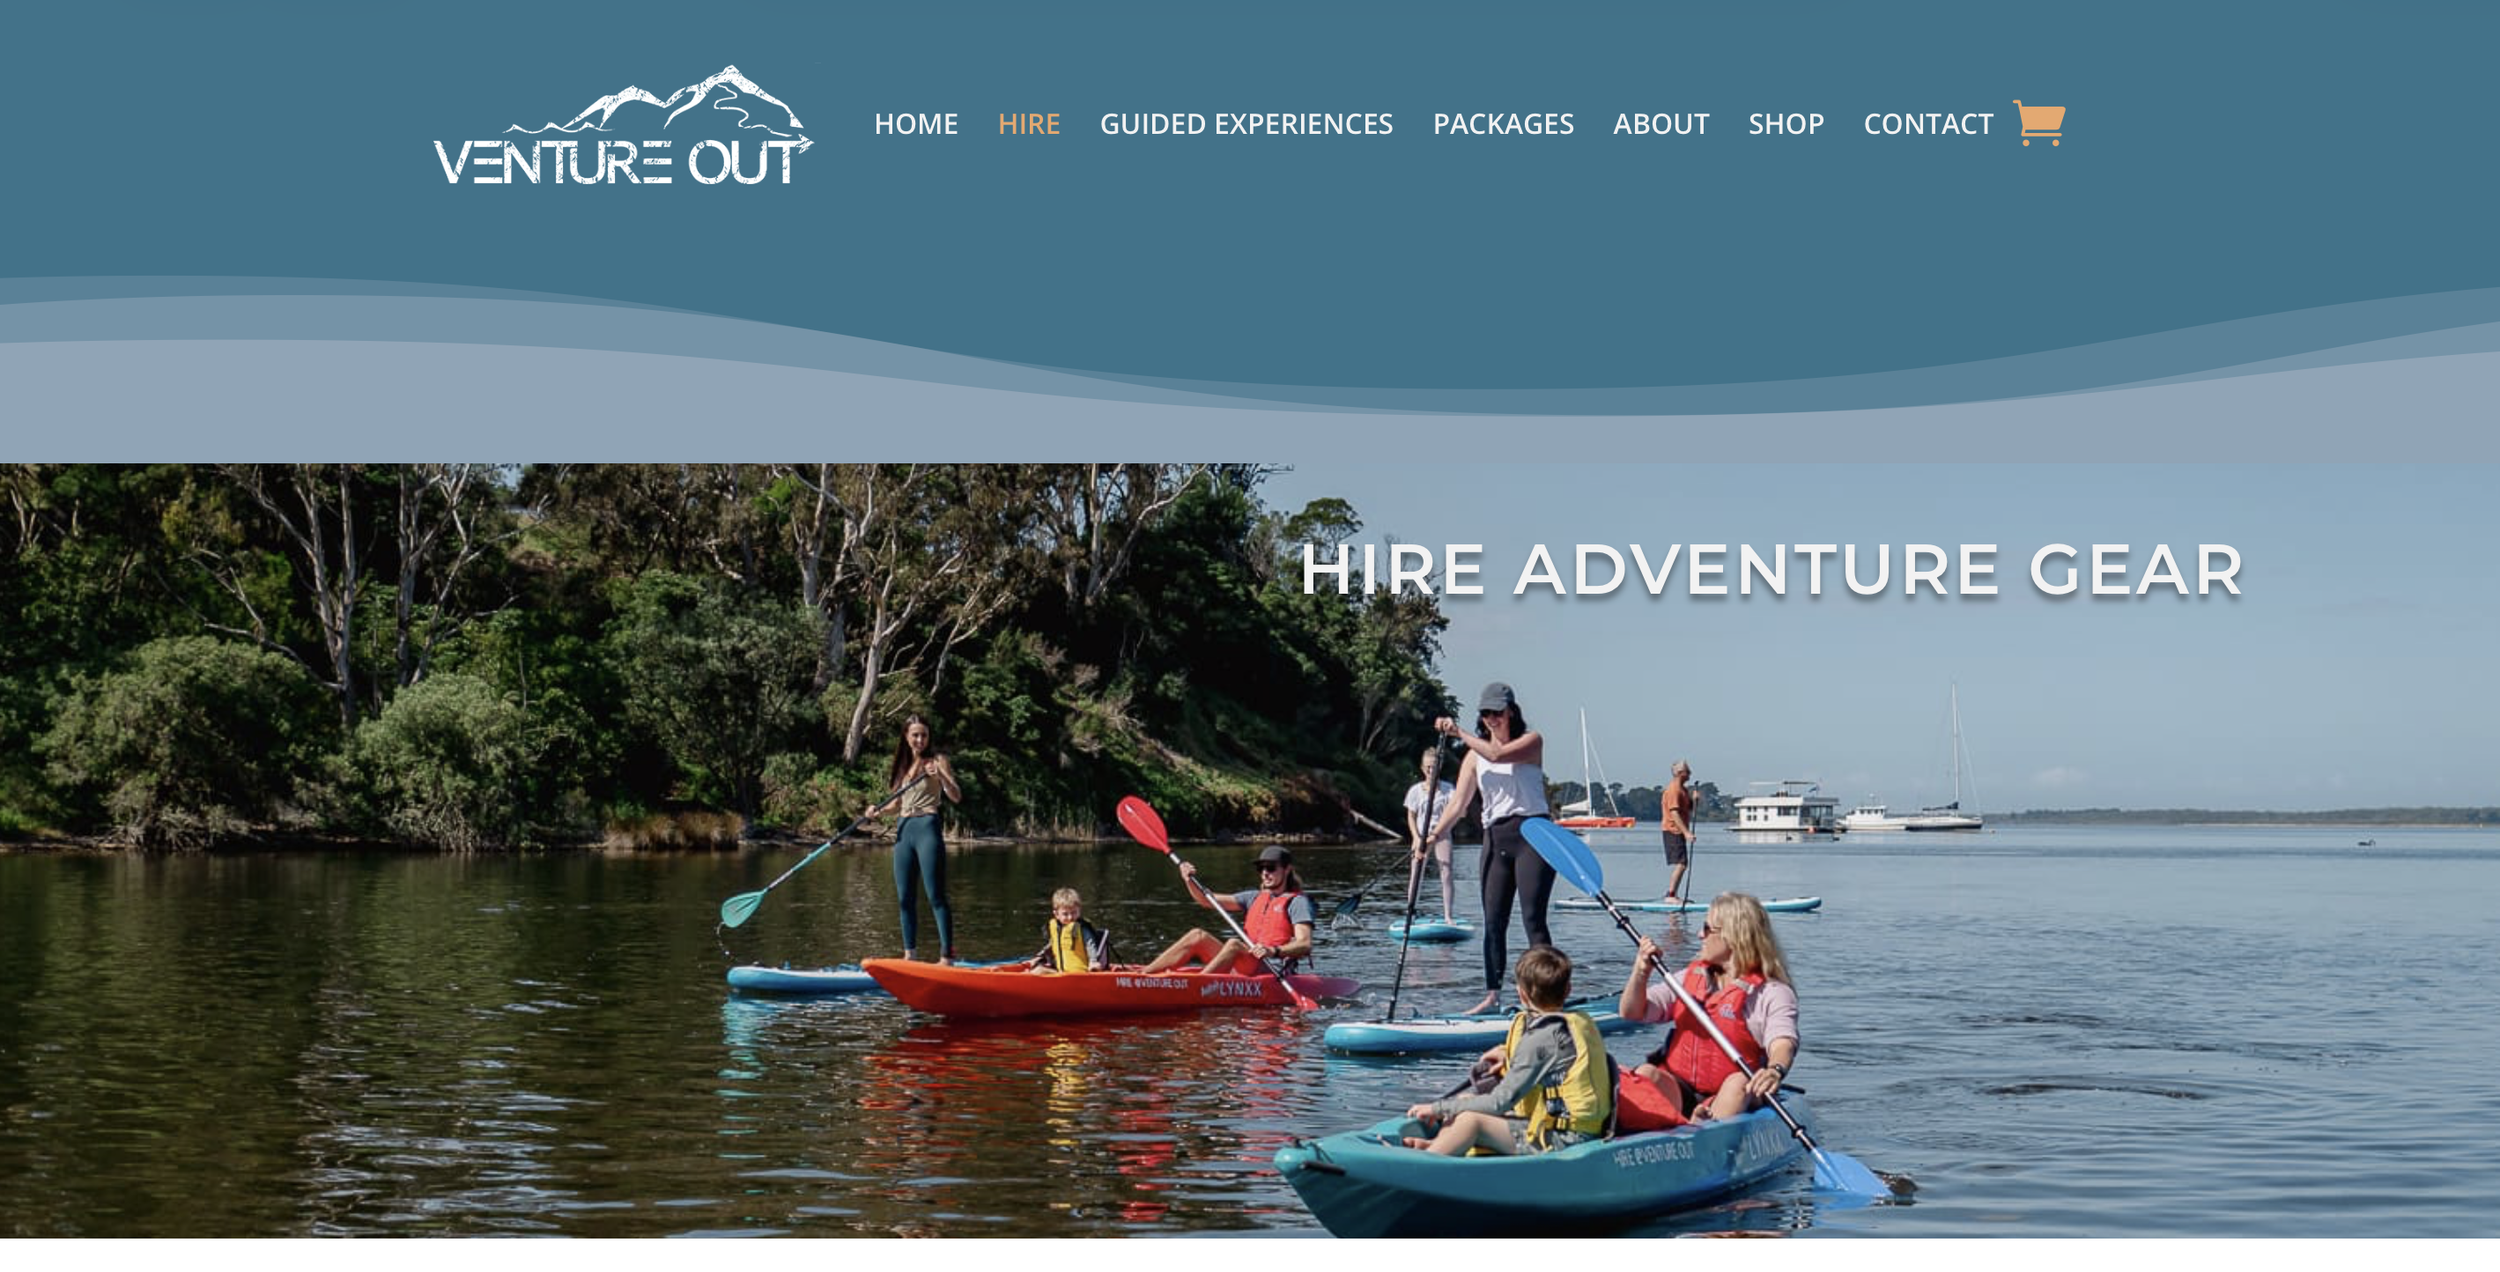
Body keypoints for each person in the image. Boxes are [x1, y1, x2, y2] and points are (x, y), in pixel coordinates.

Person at [1402, 945, 1614, 1156]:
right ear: (1568, 990)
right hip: (1570, 1129)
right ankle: (1438, 1146)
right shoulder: (1575, 1023)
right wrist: (1507, 1054)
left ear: (1521, 993)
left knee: (1471, 1120)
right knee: (1464, 1102)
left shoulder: (1540, 1038)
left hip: (1567, 1139)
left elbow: (1499, 1103)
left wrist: (1437, 1108)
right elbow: (1553, 1059)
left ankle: (1423, 1165)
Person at [1426, 681, 1552, 1015]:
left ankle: (1546, 997)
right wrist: (1433, 835)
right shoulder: (1472, 758)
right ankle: (1492, 996)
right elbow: (1458, 805)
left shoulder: (1531, 742)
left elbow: (1496, 753)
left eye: (1498, 712)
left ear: (1511, 712)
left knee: (1532, 919)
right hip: (1495, 840)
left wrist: (1458, 731)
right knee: (1493, 922)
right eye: (1486, 714)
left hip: (1534, 837)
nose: (1492, 719)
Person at [1618, 892, 1800, 1122]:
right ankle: (1671, 1126)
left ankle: (1707, 1129)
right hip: (1681, 1088)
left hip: (1737, 1095)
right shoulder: (1689, 978)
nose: (1699, 934)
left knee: (1738, 1083)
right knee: (1647, 1074)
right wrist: (1641, 971)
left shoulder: (1770, 993)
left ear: (1734, 937)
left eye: (1706, 928)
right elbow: (1632, 1012)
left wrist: (1775, 1070)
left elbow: (1783, 1041)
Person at [870, 713, 963, 964]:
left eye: (924, 735)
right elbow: (896, 804)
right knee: (904, 898)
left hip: (926, 827)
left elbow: (955, 796)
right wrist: (876, 811)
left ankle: (946, 957)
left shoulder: (938, 760)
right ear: (906, 737)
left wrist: (940, 776)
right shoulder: (902, 767)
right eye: (915, 735)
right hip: (904, 829)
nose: (920, 739)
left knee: (935, 895)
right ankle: (909, 955)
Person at [1139, 845, 1315, 975]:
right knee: (1197, 935)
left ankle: (1198, 985)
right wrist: (1188, 880)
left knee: (1233, 944)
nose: (1264, 873)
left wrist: (1273, 950)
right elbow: (1206, 900)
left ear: (1287, 870)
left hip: (1270, 969)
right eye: (1261, 868)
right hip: (1247, 963)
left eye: (1270, 868)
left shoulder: (1297, 902)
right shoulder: (1253, 897)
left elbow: (1304, 944)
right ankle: (1143, 976)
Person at [1402, 745, 1459, 924]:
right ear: (1422, 768)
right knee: (1416, 874)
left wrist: (1436, 834)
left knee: (1446, 872)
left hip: (1442, 835)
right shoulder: (1415, 791)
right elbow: (1411, 816)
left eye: (1433, 766)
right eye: (1427, 767)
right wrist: (1417, 838)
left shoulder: (1448, 789)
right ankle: (1410, 912)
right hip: (1420, 836)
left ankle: (1448, 915)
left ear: (1439, 767)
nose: (1430, 770)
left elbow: (1456, 814)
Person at [1027, 887, 1111, 973]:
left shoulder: (1081, 928)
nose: (1070, 917)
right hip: (1061, 972)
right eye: (1065, 914)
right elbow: (1051, 945)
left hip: (1081, 973)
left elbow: (1090, 945)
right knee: (1037, 968)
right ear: (1056, 914)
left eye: (1074, 912)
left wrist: (1093, 961)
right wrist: (1039, 956)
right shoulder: (1056, 928)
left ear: (1079, 911)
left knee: (1039, 971)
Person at [1661, 760, 1697, 903]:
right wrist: (1687, 833)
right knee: (1681, 863)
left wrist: (1694, 800)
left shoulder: (1683, 790)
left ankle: (1673, 894)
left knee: (1683, 863)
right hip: (1672, 830)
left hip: (1679, 830)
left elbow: (1688, 810)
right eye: (1688, 771)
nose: (1690, 774)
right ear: (1680, 773)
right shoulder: (1674, 790)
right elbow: (1674, 813)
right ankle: (1670, 896)